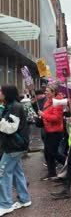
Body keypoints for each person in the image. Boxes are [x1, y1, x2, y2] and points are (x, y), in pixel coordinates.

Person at [0, 85, 32, 216]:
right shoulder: (11, 105)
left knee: (3, 174)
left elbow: (11, 128)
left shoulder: (14, 107)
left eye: (1, 91)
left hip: (14, 146)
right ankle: (24, 199)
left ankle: (5, 204)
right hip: (15, 145)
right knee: (16, 173)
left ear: (7, 93)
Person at [38, 84, 66, 180]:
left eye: (47, 91)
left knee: (53, 152)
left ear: (53, 92)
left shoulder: (57, 102)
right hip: (48, 130)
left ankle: (69, 165)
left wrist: (44, 115)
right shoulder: (48, 101)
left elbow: (57, 118)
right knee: (47, 152)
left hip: (55, 131)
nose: (45, 92)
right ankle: (51, 172)